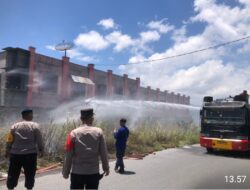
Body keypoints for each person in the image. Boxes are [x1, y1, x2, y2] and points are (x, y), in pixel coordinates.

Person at [62, 108, 110, 190]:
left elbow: (68, 154)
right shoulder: (99, 132)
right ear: (92, 118)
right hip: (93, 173)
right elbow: (104, 153)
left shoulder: (73, 133)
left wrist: (66, 172)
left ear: (81, 119)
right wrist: (106, 168)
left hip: (77, 173)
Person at [5, 109, 44, 190]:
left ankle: (10, 188)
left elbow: (9, 140)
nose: (32, 116)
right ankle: (29, 188)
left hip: (15, 155)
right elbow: (39, 140)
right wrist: (41, 150)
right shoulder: (35, 126)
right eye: (32, 114)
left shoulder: (14, 126)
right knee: (30, 174)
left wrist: (7, 150)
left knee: (12, 173)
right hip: (30, 155)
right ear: (29, 115)